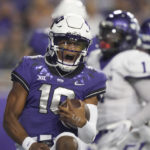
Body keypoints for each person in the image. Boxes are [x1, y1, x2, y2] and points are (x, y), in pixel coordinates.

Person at [3, 14, 107, 150]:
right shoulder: (30, 66)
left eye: (77, 43)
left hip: (68, 144)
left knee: (67, 141)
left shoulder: (93, 78)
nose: (71, 48)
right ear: (53, 40)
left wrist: (81, 122)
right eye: (65, 41)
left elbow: (89, 137)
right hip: (29, 143)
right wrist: (29, 144)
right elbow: (9, 118)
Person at [87, 10, 150, 150]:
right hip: (98, 136)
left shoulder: (130, 59)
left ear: (127, 37)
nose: (105, 38)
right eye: (104, 32)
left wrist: (130, 123)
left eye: (112, 34)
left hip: (128, 137)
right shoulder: (93, 58)